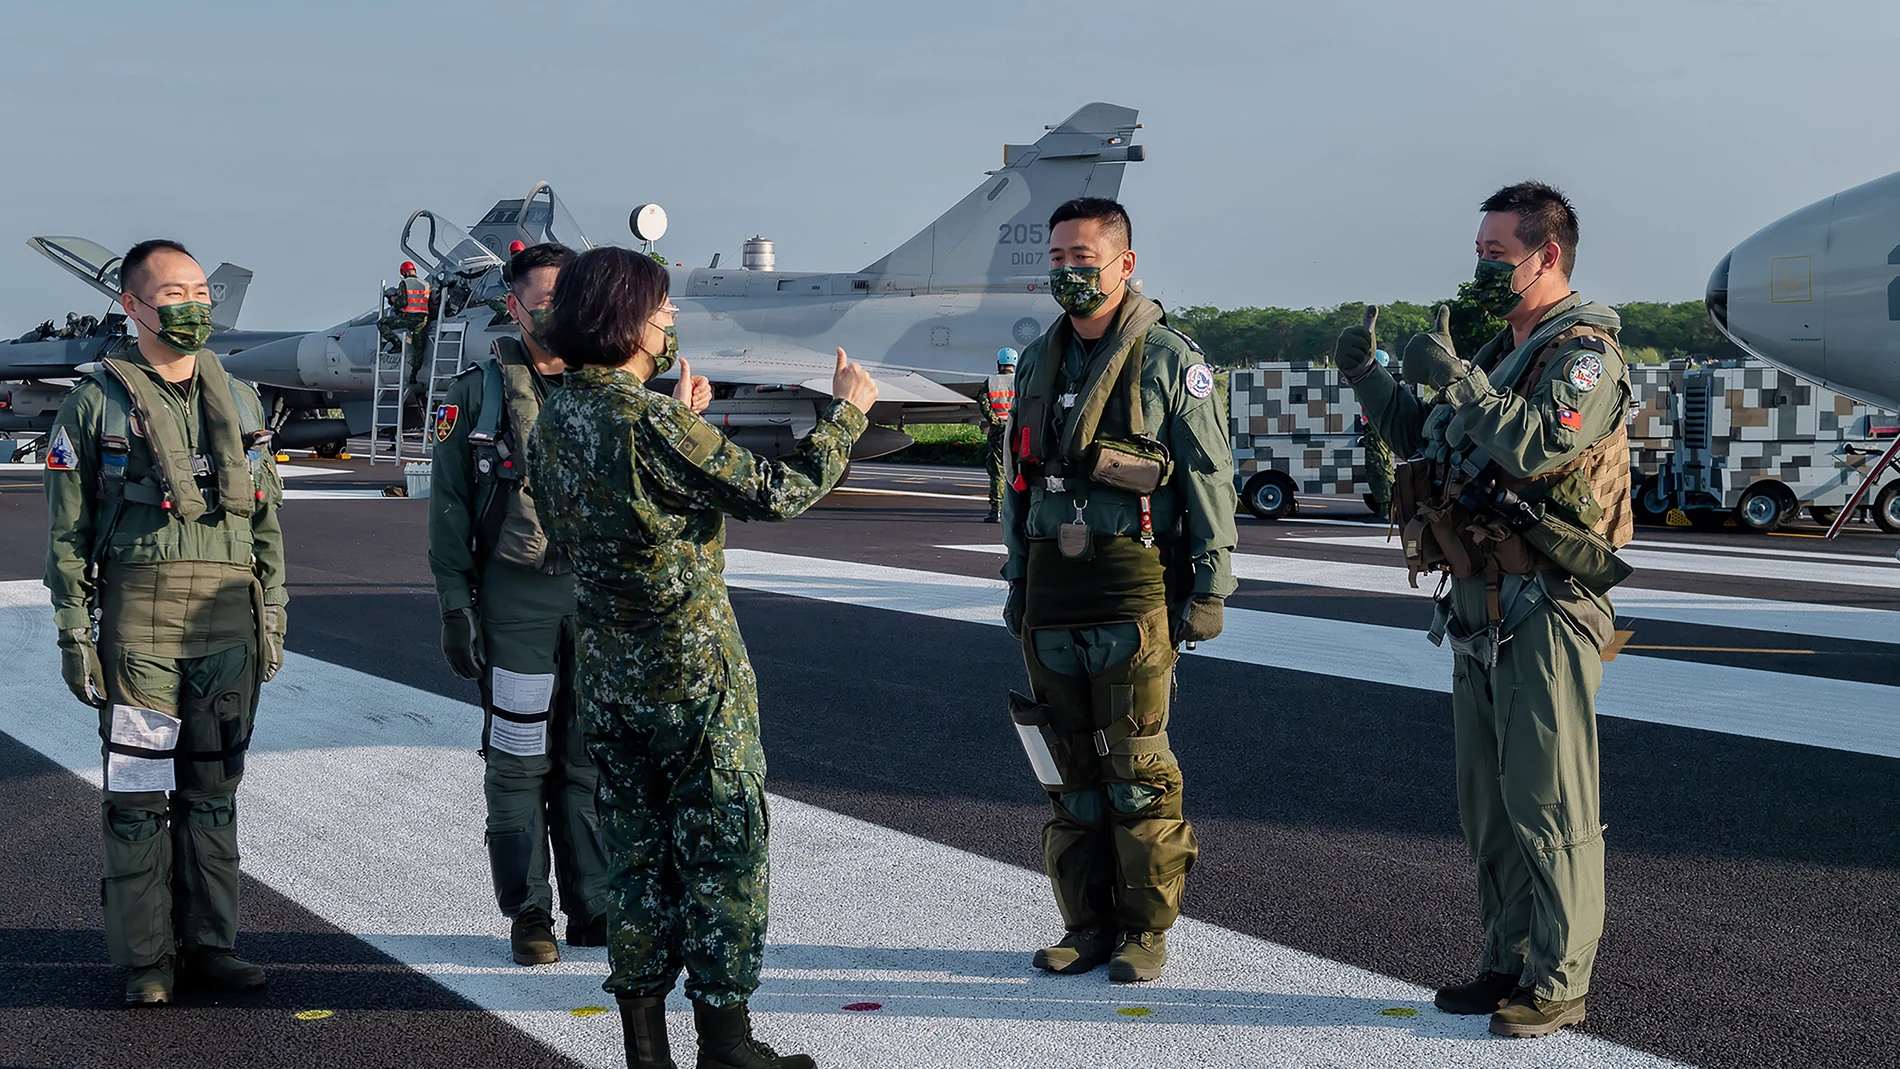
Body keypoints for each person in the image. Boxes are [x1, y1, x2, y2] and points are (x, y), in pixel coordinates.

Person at [528, 247, 878, 1069]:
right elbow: (776, 491)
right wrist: (847, 414)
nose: (669, 320)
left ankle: (644, 1049)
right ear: (628, 319)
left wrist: (675, 420)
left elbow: (600, 508)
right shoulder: (648, 422)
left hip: (608, 675)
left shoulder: (557, 416)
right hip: (691, 678)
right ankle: (727, 1044)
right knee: (722, 852)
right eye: (660, 308)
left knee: (638, 857)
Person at [1331, 181, 1632, 1039]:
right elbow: (1432, 435)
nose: (1483, 268)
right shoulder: (1504, 351)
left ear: (1549, 256)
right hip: (1478, 604)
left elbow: (1539, 441)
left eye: (1496, 255)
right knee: (1489, 802)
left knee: (1551, 797)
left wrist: (1460, 378)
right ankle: (1507, 958)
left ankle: (1560, 977)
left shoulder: (1584, 355)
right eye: (1480, 252)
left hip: (1546, 602)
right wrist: (1370, 376)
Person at [427, 242, 711, 967]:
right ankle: (529, 912)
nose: (558, 314)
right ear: (514, 307)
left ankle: (595, 906)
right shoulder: (476, 395)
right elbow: (451, 511)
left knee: (591, 758)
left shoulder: (618, 395)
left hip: (598, 601)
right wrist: (456, 605)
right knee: (520, 756)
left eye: (570, 299)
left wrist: (680, 422)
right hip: (517, 601)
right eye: (544, 301)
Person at [43, 238, 289, 1005]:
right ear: (134, 305)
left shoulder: (242, 399)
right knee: (141, 794)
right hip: (140, 626)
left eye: (198, 290)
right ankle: (148, 957)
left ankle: (211, 945)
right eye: (172, 292)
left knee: (214, 790)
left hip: (226, 625)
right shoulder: (95, 403)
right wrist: (72, 629)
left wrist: (273, 609)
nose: (191, 305)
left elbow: (269, 521)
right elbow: (67, 531)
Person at [999, 197, 1238, 984]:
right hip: (1052, 593)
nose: (1069, 271)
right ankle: (1087, 923)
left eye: (1084, 257)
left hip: (1133, 589)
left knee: (1134, 766)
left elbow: (1208, 478)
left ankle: (1143, 930)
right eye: (1059, 259)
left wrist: (1210, 585)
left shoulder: (1170, 360)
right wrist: (1016, 576)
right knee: (1069, 770)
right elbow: (1016, 482)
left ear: (1125, 263)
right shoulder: (1037, 360)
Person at [980, 348, 1019, 522]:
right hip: (1017, 430)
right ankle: (1018, 510)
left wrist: (996, 422)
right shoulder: (1022, 380)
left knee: (997, 472)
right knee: (1020, 470)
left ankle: (995, 511)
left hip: (998, 432)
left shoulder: (991, 381)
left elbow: (983, 403)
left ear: (999, 363)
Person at [379, 260, 433, 380]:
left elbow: (402, 303)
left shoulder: (405, 283)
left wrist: (394, 301)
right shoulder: (426, 284)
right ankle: (413, 376)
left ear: (404, 273)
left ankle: (397, 344)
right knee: (419, 348)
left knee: (382, 323)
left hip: (409, 318)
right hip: (423, 319)